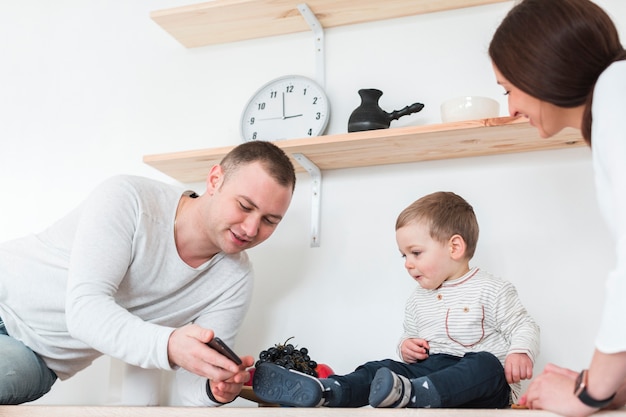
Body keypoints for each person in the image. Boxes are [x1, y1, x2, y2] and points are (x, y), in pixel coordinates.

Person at [0, 140, 296, 406]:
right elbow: (84, 309)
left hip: (35, 357)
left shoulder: (234, 280)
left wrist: (216, 387)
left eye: (270, 221)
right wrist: (170, 345)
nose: (251, 229)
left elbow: (195, 387)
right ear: (215, 180)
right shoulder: (130, 199)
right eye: (245, 206)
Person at [253, 191, 540, 408]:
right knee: (384, 368)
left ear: (454, 247)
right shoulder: (418, 299)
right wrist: (406, 347)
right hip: (429, 373)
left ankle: (414, 394)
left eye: (415, 253)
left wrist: (520, 352)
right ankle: (330, 390)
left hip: (481, 390)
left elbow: (524, 325)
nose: (407, 263)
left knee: (486, 365)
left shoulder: (492, 288)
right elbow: (411, 334)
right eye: (404, 256)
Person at [489, 0, 626, 415]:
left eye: (508, 89)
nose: (510, 109)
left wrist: (591, 392)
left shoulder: (617, 91)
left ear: (540, 65)